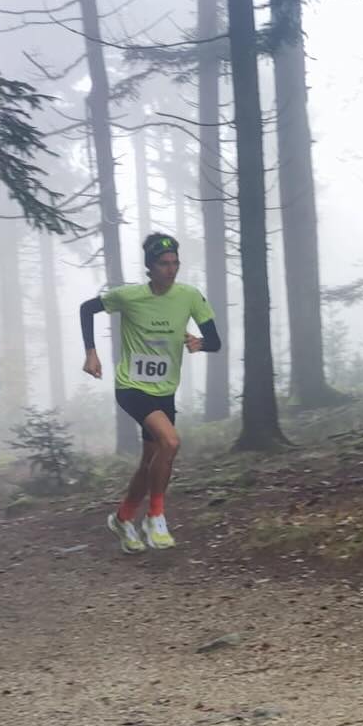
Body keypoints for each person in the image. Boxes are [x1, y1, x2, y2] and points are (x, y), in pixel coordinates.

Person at [79, 232, 221, 553]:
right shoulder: (129, 296)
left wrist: (200, 343)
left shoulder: (190, 296)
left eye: (175, 264)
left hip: (164, 391)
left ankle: (123, 518)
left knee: (150, 462)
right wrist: (91, 352)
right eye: (163, 264)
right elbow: (87, 309)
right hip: (131, 386)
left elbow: (215, 340)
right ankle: (155, 517)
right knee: (170, 442)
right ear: (150, 266)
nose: (171, 270)